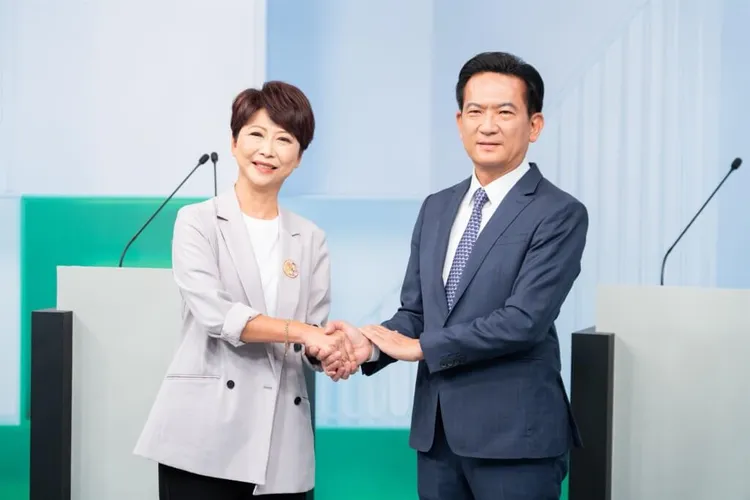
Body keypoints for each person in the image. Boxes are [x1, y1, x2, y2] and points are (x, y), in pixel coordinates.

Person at [325, 52, 589, 500]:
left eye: (504, 112)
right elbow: (416, 313)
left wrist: (421, 347)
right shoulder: (437, 207)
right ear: (459, 121)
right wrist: (369, 345)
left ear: (535, 125)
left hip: (515, 442)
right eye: (475, 111)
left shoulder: (558, 212)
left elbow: (524, 321)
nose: (488, 126)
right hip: (438, 438)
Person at [133, 81, 354, 499]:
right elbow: (216, 315)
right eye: (256, 134)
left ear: (298, 158)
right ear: (234, 144)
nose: (268, 150)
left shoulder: (310, 238)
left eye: (284, 139)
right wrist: (303, 332)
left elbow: (311, 332)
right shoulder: (197, 221)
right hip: (204, 434)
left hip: (281, 437)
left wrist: (328, 353)